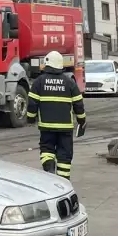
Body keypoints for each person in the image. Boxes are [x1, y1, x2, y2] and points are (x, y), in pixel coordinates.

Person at [27, 50, 86, 180]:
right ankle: (64, 181)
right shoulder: (69, 82)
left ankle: (49, 169)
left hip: (46, 127)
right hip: (65, 128)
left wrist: (30, 118)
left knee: (47, 150)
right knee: (64, 155)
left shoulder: (39, 82)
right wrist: (82, 121)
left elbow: (32, 104)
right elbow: (78, 104)